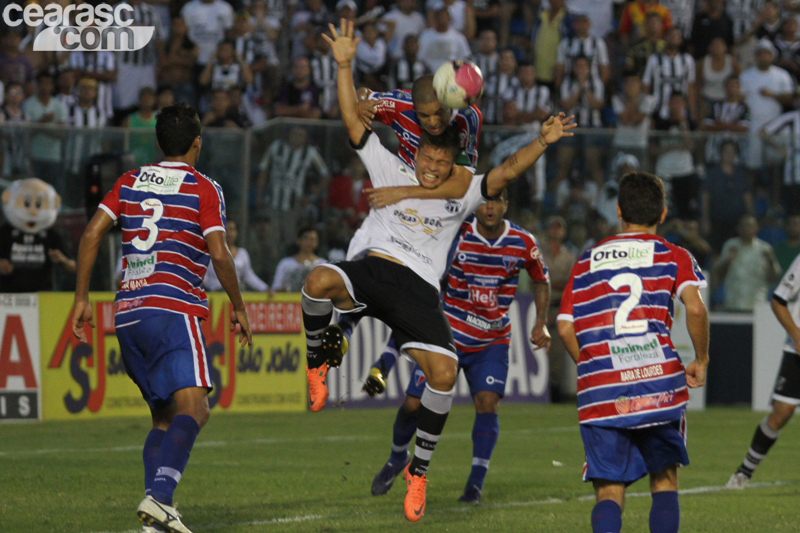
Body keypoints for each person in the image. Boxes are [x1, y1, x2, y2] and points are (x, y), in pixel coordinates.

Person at [305, 19, 573, 522]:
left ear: (452, 160)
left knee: (443, 377)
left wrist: (543, 140)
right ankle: (318, 359)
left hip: (421, 289)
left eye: (439, 157)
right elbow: (352, 116)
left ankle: (418, 472)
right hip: (376, 264)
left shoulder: (462, 179)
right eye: (424, 151)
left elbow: (507, 169)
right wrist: (344, 66)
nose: (429, 159)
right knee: (317, 280)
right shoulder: (392, 164)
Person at [71, 103, 252, 533]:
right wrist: (240, 307)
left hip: (128, 313)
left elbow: (92, 233)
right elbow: (220, 253)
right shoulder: (205, 188)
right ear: (197, 143)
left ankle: (154, 521)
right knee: (196, 408)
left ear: (157, 143)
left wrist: (81, 298)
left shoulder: (130, 180)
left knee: (165, 418)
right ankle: (160, 499)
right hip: (173, 306)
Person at [368, 189, 551, 504]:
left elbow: (541, 279)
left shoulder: (523, 242)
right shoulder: (456, 234)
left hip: (491, 341)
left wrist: (540, 322)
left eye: (497, 201)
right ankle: (398, 456)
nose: (490, 207)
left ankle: (475, 484)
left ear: (507, 204)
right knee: (414, 405)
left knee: (487, 402)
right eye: (485, 202)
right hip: (446, 337)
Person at [557, 171, 710, 533]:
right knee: (664, 478)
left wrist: (595, 367)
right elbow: (697, 308)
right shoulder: (674, 255)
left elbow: (564, 326)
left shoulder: (585, 261)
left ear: (619, 210)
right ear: (663, 213)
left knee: (609, 488)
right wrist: (701, 360)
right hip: (657, 385)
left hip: (602, 390)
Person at [726, 249, 800, 489]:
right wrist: (797, 336)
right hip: (796, 352)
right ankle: (744, 472)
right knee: (782, 413)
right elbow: (778, 301)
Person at [714, 215, 782, 312]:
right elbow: (719, 274)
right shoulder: (730, 245)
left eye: (750, 226)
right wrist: (728, 260)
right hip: (733, 304)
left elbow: (774, 278)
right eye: (743, 226)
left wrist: (770, 262)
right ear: (738, 228)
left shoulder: (765, 249)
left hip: (756, 305)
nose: (747, 229)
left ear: (756, 228)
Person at [204, 220, 268, 292]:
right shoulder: (209, 253)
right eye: (225, 230)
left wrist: (265, 288)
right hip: (215, 296)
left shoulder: (242, 253)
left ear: (236, 233)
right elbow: (204, 278)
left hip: (236, 295)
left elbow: (248, 276)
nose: (229, 233)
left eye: (232, 229)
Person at [272, 226, 326, 292]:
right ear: (298, 241)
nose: (309, 242)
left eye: (312, 239)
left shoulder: (324, 265)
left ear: (317, 242)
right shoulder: (285, 263)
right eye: (306, 238)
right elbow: (276, 287)